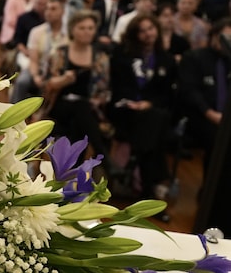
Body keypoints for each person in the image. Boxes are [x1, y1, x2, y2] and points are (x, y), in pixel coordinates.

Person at [108, 15, 176, 198]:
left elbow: (167, 95)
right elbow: (116, 84)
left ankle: (139, 173)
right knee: (157, 121)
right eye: (142, 30)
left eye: (151, 29)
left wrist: (148, 103)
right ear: (134, 34)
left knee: (155, 117)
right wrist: (133, 103)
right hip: (123, 107)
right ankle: (155, 183)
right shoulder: (122, 53)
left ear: (157, 30)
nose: (147, 34)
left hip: (150, 111)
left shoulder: (166, 59)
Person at [44, 10, 112, 163]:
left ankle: (70, 169)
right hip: (60, 105)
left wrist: (97, 100)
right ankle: (104, 160)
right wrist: (62, 80)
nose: (87, 32)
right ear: (72, 30)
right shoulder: (60, 53)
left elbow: (104, 90)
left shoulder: (101, 57)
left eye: (90, 28)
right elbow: (47, 85)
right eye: (82, 28)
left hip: (88, 108)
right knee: (81, 108)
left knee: (80, 118)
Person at [178, 19, 231, 173]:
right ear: (214, 35)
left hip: (225, 117)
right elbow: (189, 92)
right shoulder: (194, 57)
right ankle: (209, 190)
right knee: (218, 139)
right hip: (198, 115)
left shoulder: (229, 61)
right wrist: (210, 113)